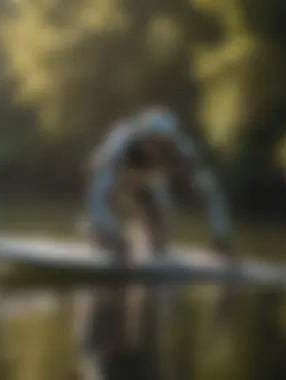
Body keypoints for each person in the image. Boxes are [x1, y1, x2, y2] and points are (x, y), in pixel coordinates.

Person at [78, 105, 235, 379]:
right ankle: (101, 238)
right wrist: (110, 236)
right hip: (111, 180)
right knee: (95, 343)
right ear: (141, 136)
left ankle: (146, 247)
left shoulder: (182, 150)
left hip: (147, 183)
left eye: (160, 144)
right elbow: (98, 193)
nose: (155, 147)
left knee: (160, 238)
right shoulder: (121, 143)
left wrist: (221, 235)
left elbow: (211, 193)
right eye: (150, 141)